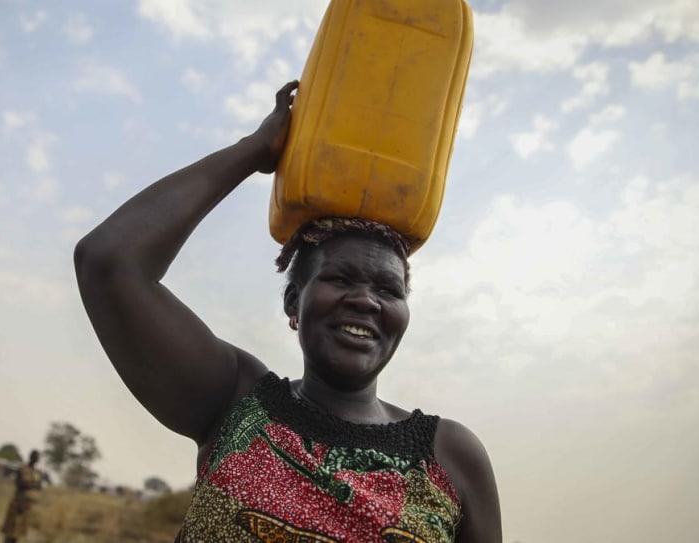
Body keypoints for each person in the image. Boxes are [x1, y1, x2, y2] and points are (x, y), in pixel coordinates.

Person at [75, 81, 501, 542]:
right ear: (293, 302)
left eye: (388, 288)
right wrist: (255, 150)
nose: (366, 299)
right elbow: (109, 262)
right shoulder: (235, 402)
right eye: (340, 279)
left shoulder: (451, 458)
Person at [1, 449, 44, 543]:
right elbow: (20, 485)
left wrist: (29, 485)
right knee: (11, 529)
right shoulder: (22, 469)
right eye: (35, 456)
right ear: (31, 457)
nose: (36, 459)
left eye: (37, 457)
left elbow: (39, 486)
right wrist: (31, 486)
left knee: (19, 531)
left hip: (29, 505)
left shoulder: (37, 472)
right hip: (19, 502)